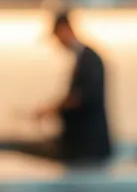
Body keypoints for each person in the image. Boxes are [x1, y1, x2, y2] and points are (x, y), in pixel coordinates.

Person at [34, 12, 111, 163]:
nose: (58, 43)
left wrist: (52, 109)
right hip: (81, 145)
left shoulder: (89, 60)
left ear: (65, 29)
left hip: (88, 146)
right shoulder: (81, 59)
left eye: (57, 37)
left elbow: (83, 97)